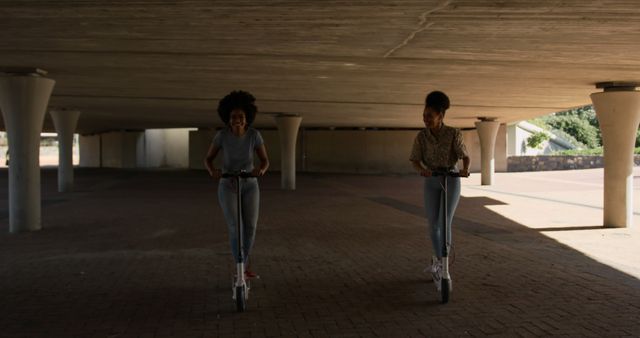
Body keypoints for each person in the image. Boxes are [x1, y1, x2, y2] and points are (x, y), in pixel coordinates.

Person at [204, 90, 269, 278]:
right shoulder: (222, 136)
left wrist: (261, 170)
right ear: (228, 118)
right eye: (233, 116)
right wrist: (213, 171)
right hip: (228, 184)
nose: (237, 119)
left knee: (250, 227)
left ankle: (244, 263)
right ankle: (240, 266)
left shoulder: (254, 135)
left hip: (250, 184)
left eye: (241, 116)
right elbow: (208, 159)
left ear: (247, 118)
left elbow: (265, 161)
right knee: (235, 226)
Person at [409, 90, 470, 278]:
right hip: (432, 180)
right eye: (424, 116)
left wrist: (465, 169)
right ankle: (437, 261)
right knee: (433, 224)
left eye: (429, 116)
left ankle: (445, 264)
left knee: (445, 223)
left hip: (450, 178)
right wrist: (422, 170)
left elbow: (464, 155)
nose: (425, 119)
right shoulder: (421, 137)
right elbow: (414, 159)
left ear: (440, 116)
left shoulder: (453, 133)